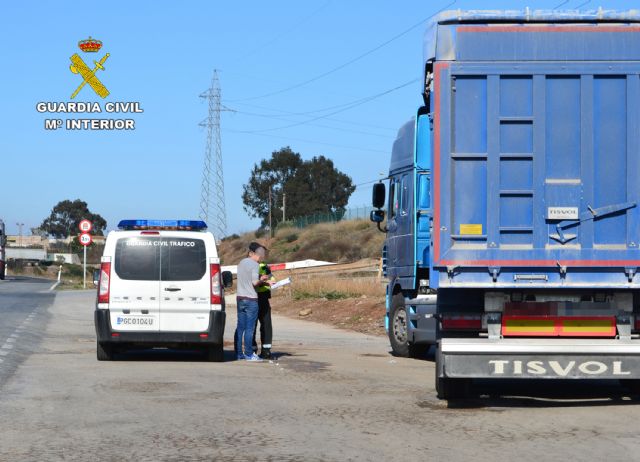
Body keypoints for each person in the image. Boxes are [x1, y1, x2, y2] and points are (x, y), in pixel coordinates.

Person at [235, 242, 271, 361]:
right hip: (251, 299)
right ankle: (249, 354)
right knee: (250, 328)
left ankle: (240, 353)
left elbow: (245, 278)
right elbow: (254, 283)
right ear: (259, 256)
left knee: (240, 327)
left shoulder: (241, 263)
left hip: (240, 298)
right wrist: (263, 279)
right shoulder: (255, 265)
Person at [252, 261, 276, 359]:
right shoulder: (250, 265)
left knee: (266, 324)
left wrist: (272, 281)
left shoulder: (264, 265)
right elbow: (252, 282)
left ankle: (265, 351)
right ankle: (254, 350)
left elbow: (271, 277)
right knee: (253, 325)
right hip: (253, 297)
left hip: (263, 297)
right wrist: (265, 282)